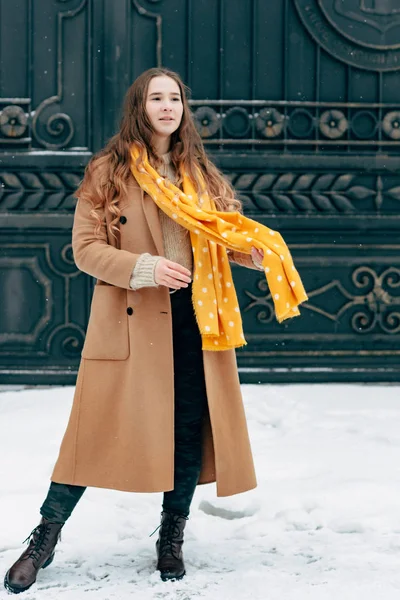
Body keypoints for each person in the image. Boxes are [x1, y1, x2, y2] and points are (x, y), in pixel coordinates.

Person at [4, 68, 307, 594]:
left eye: (175, 98)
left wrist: (252, 255)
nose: (167, 106)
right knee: (90, 434)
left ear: (184, 109)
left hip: (195, 315)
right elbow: (84, 249)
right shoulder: (109, 171)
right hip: (131, 319)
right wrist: (143, 268)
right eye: (155, 98)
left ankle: (172, 536)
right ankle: (44, 539)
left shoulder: (200, 173)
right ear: (138, 108)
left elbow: (223, 234)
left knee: (188, 427)